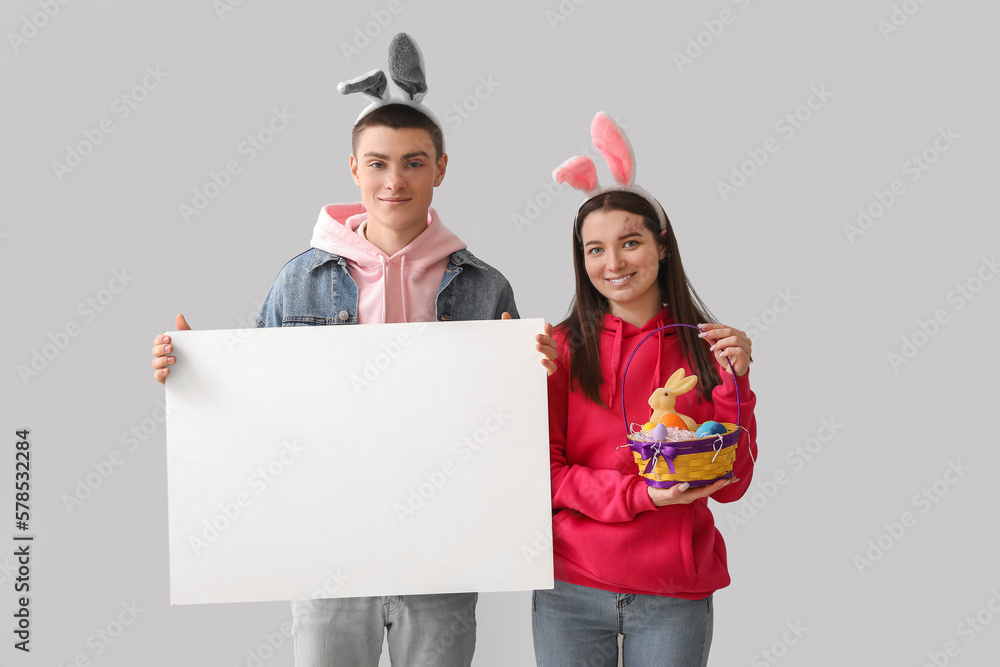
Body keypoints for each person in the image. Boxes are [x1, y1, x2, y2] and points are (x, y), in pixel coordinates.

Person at [151, 33, 555, 667]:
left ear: (440, 168)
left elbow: (507, 423)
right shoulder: (301, 280)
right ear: (354, 169)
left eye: (414, 162)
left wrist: (539, 375)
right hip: (328, 557)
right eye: (378, 163)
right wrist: (199, 372)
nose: (395, 180)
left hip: (441, 558)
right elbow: (260, 408)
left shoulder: (483, 284)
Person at [532, 113, 758, 666]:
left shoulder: (709, 348)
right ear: (581, 260)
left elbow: (731, 485)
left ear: (661, 247)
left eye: (629, 242)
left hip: (673, 594)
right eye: (594, 250)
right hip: (570, 588)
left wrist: (737, 384)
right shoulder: (558, 349)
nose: (613, 263)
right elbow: (548, 475)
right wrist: (641, 496)